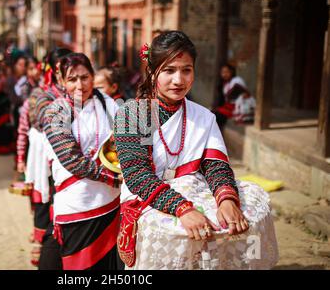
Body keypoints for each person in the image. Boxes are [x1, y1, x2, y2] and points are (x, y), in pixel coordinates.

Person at [114, 31, 278, 270]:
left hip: (195, 191)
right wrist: (183, 209)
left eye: (186, 70)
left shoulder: (203, 116)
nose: (179, 80)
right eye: (169, 70)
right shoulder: (130, 115)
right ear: (152, 72)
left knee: (246, 210)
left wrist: (226, 200)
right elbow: (137, 175)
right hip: (149, 199)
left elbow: (215, 165)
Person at [43, 52, 122, 270]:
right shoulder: (57, 110)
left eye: (85, 77)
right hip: (77, 203)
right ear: (61, 81)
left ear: (93, 75)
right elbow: (71, 158)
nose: (80, 85)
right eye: (72, 79)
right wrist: (112, 177)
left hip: (110, 202)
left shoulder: (108, 104)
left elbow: (124, 141)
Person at [23, 48, 72, 269]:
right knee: (47, 201)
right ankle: (47, 249)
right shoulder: (41, 94)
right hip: (49, 157)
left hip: (70, 159)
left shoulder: (80, 92)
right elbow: (35, 124)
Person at [213, 63, 255, 130]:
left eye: (226, 72)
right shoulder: (225, 84)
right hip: (229, 106)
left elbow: (244, 94)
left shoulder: (237, 80)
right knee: (212, 114)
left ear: (231, 72)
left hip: (239, 106)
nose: (224, 74)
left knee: (217, 116)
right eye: (222, 72)